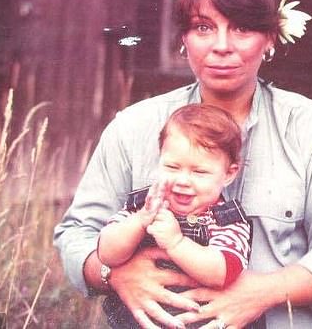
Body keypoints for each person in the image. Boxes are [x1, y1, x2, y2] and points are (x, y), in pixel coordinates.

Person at [54, 0, 312, 329]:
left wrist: (263, 292)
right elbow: (77, 234)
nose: (222, 46)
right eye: (203, 27)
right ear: (183, 39)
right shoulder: (134, 126)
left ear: (270, 38)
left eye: (241, 29)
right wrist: (112, 274)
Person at [98, 104, 254, 328]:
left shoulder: (226, 220)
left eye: (199, 172)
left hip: (197, 320)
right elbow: (107, 253)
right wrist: (140, 221)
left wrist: (176, 242)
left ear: (229, 173)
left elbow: (222, 272)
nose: (183, 180)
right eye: (172, 167)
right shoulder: (144, 206)